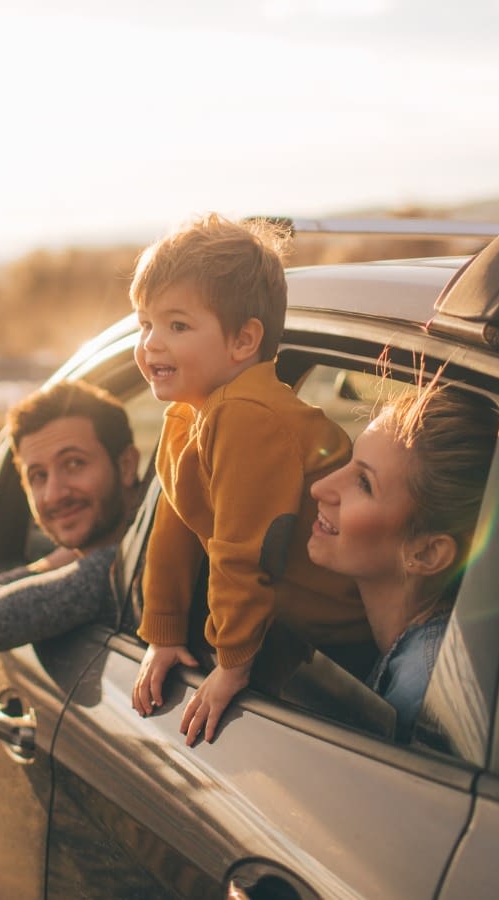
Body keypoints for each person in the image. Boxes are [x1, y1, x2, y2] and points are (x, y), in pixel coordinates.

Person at [127, 213, 369, 746]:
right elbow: (176, 526)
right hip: (300, 629)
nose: (151, 345)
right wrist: (164, 633)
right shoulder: (192, 414)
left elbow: (243, 550)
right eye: (145, 324)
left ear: (243, 341)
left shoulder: (245, 416)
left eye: (177, 326)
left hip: (348, 637)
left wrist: (232, 663)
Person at [307, 384, 499, 742]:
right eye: (350, 461)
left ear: (426, 554)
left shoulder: (422, 692)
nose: (320, 488)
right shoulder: (429, 655)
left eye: (364, 483)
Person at [0, 380, 142, 657]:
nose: (54, 494)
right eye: (38, 476)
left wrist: (52, 564)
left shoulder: (119, 571)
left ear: (126, 465)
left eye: (74, 463)